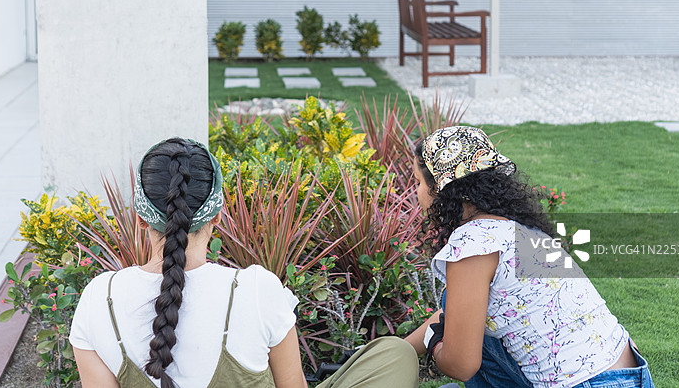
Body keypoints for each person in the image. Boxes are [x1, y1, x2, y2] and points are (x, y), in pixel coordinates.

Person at [70, 137, 418, 388]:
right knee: (395, 355)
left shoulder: (99, 298)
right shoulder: (255, 288)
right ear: (217, 215)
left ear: (140, 218)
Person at [404, 126, 655, 388]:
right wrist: (399, 348)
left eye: (419, 182)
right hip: (629, 375)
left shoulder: (472, 246)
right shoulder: (517, 231)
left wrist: (435, 343)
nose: (416, 191)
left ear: (441, 188)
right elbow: (459, 316)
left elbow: (460, 365)